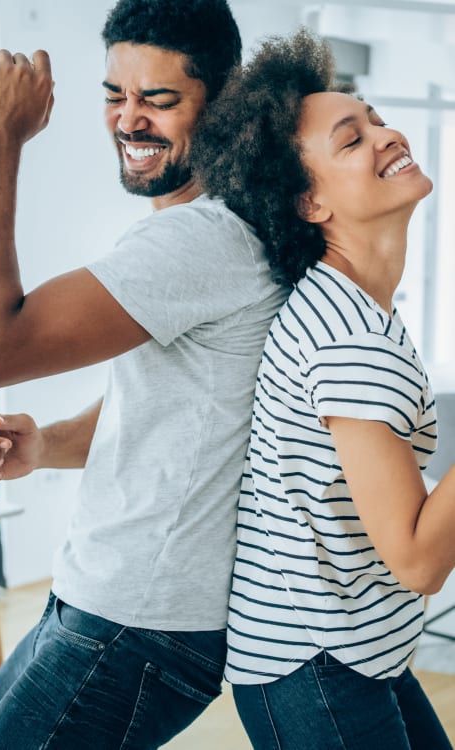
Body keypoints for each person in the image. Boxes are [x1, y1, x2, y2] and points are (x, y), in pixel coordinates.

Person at [0, 1, 288, 748]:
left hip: (139, 626)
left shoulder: (205, 239)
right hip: (101, 601)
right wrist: (49, 445)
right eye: (114, 95)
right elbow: (185, 407)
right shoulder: (202, 229)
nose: (129, 120)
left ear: (222, 105)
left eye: (159, 100)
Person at [193, 28, 454, 750]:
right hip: (315, 669)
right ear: (308, 202)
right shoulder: (348, 338)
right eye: (352, 139)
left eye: (373, 119)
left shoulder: (346, 304)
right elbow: (419, 559)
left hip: (347, 652)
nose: (385, 135)